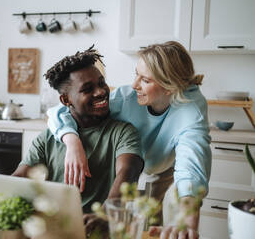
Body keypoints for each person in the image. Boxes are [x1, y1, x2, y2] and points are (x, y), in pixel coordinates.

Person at [46, 41, 212, 238]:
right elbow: (60, 112)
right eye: (136, 74)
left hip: (162, 165)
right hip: (131, 157)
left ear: (169, 87)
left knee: (150, 221)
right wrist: (72, 141)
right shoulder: (127, 98)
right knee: (123, 217)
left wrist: (187, 221)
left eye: (145, 80)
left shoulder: (191, 111)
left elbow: (191, 167)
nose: (134, 85)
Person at [12, 46, 144, 235]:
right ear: (66, 100)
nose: (101, 92)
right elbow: (20, 179)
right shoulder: (47, 138)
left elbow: (128, 172)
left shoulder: (123, 132)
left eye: (101, 83)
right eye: (87, 89)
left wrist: (106, 213)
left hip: (97, 231)